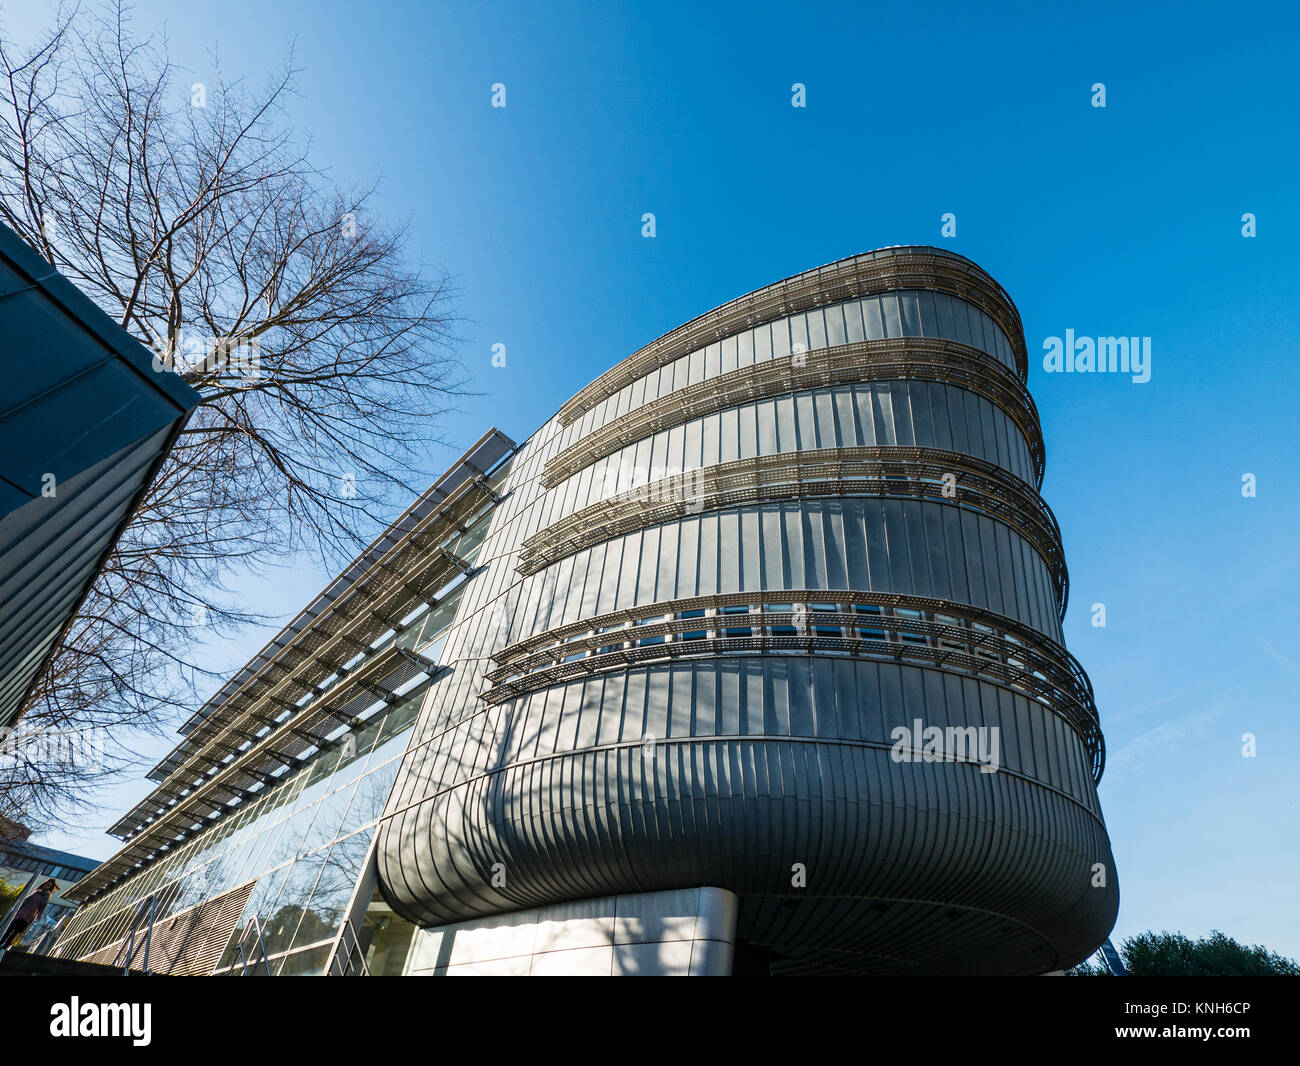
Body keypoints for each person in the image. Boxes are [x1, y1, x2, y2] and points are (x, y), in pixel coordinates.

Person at [3, 878, 59, 949]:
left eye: (49, 885)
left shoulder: (45, 896)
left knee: (16, 931)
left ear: (50, 888)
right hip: (20, 913)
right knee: (9, 928)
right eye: (46, 884)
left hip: (28, 916)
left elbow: (42, 907)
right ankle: (2, 941)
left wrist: (39, 917)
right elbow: (25, 900)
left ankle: (6, 945)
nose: (47, 886)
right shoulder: (36, 892)